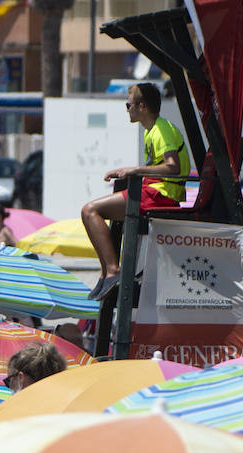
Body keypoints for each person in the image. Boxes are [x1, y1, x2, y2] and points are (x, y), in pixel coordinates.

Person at [81, 82, 189, 301]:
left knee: (90, 211)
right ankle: (106, 274)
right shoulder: (151, 131)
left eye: (128, 105)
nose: (127, 109)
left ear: (142, 106)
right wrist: (125, 171)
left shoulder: (161, 129)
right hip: (152, 191)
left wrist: (134, 169)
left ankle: (114, 271)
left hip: (161, 195)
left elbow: (173, 167)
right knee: (88, 212)